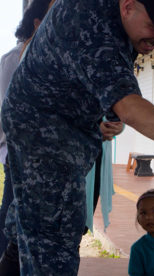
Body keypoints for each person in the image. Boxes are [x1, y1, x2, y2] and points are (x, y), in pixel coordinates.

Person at [1, 0, 154, 274]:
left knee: (32, 220)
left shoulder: (120, 20)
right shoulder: (91, 23)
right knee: (54, 234)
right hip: (43, 131)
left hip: (60, 124)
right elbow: (129, 107)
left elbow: (110, 95)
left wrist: (106, 117)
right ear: (128, 6)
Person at [0, 0, 51, 259]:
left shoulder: (56, 60)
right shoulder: (12, 61)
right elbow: (8, 116)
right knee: (11, 226)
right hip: (19, 157)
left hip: (53, 160)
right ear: (38, 23)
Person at [85, 118, 124, 233]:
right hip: (66, 157)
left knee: (83, 215)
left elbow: (120, 113)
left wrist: (117, 127)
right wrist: (94, 126)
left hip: (96, 158)